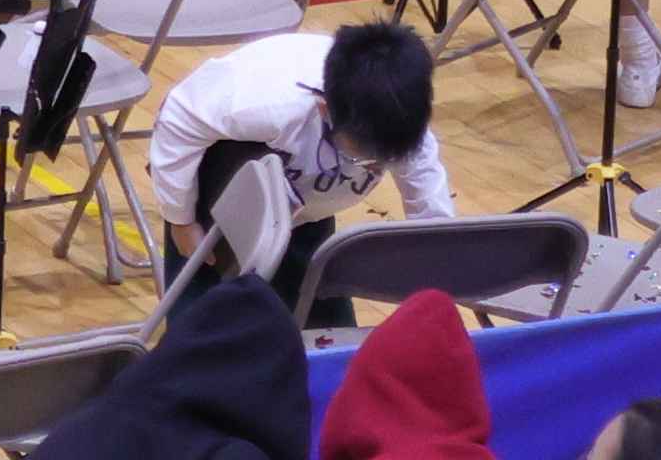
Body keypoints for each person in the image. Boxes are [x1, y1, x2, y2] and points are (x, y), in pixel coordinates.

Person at [146, 23, 452, 313]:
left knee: (324, 330)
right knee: (204, 319)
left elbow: (431, 220)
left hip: (308, 207)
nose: (374, 166)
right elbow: (178, 117)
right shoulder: (264, 105)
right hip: (223, 195)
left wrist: (443, 271)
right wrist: (181, 219)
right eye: (365, 158)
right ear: (325, 110)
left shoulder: (404, 119)